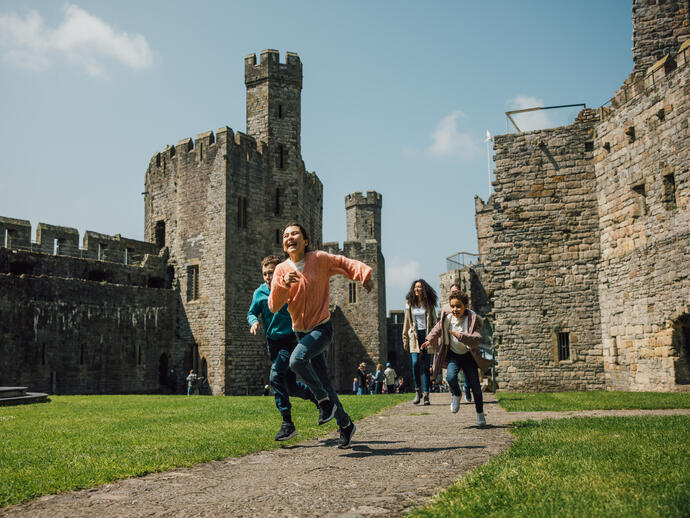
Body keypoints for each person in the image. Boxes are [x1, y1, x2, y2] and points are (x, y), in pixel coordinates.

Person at [269, 222, 374, 449]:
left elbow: (345, 263)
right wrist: (283, 286)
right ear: (284, 245)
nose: (290, 237)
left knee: (296, 360)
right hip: (301, 332)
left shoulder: (319, 259)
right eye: (286, 235)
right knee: (325, 382)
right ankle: (345, 424)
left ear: (305, 240)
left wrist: (364, 274)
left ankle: (323, 402)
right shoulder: (281, 270)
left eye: (295, 233)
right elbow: (274, 306)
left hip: (322, 328)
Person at [248, 255, 316, 441]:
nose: (268, 277)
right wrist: (254, 322)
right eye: (265, 274)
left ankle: (287, 423)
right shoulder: (259, 293)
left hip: (290, 340)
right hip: (273, 344)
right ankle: (318, 397)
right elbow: (252, 312)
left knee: (275, 375)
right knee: (291, 387)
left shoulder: (290, 288)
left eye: (271, 272)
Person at [422, 291, 488, 427]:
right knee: (451, 377)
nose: (455, 309)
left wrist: (462, 336)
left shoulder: (471, 319)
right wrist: (429, 340)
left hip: (469, 356)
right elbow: (437, 329)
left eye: (458, 306)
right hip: (454, 355)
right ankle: (456, 394)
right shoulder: (447, 319)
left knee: (475, 387)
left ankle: (480, 414)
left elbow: (477, 339)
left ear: (465, 306)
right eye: (452, 306)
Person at [402, 279, 438, 405]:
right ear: (413, 289)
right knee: (415, 363)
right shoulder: (409, 304)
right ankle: (418, 392)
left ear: (423, 289)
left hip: (426, 336)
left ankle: (426, 394)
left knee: (425, 367)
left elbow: (434, 320)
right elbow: (406, 321)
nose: (417, 289)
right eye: (416, 287)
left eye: (420, 287)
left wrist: (433, 337)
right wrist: (405, 338)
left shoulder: (429, 304)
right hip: (414, 336)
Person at [445, 283, 475, 403]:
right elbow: (439, 327)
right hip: (454, 350)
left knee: (468, 375)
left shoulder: (468, 312)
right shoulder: (446, 311)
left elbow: (476, 324)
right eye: (452, 292)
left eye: (456, 291)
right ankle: (456, 393)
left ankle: (467, 390)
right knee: (451, 376)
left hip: (467, 351)